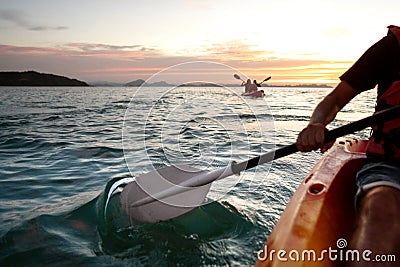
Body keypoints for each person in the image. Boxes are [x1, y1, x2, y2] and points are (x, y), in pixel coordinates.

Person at [296, 25, 400, 267]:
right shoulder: (391, 48)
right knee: (382, 205)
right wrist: (316, 124)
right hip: (391, 166)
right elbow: (334, 99)